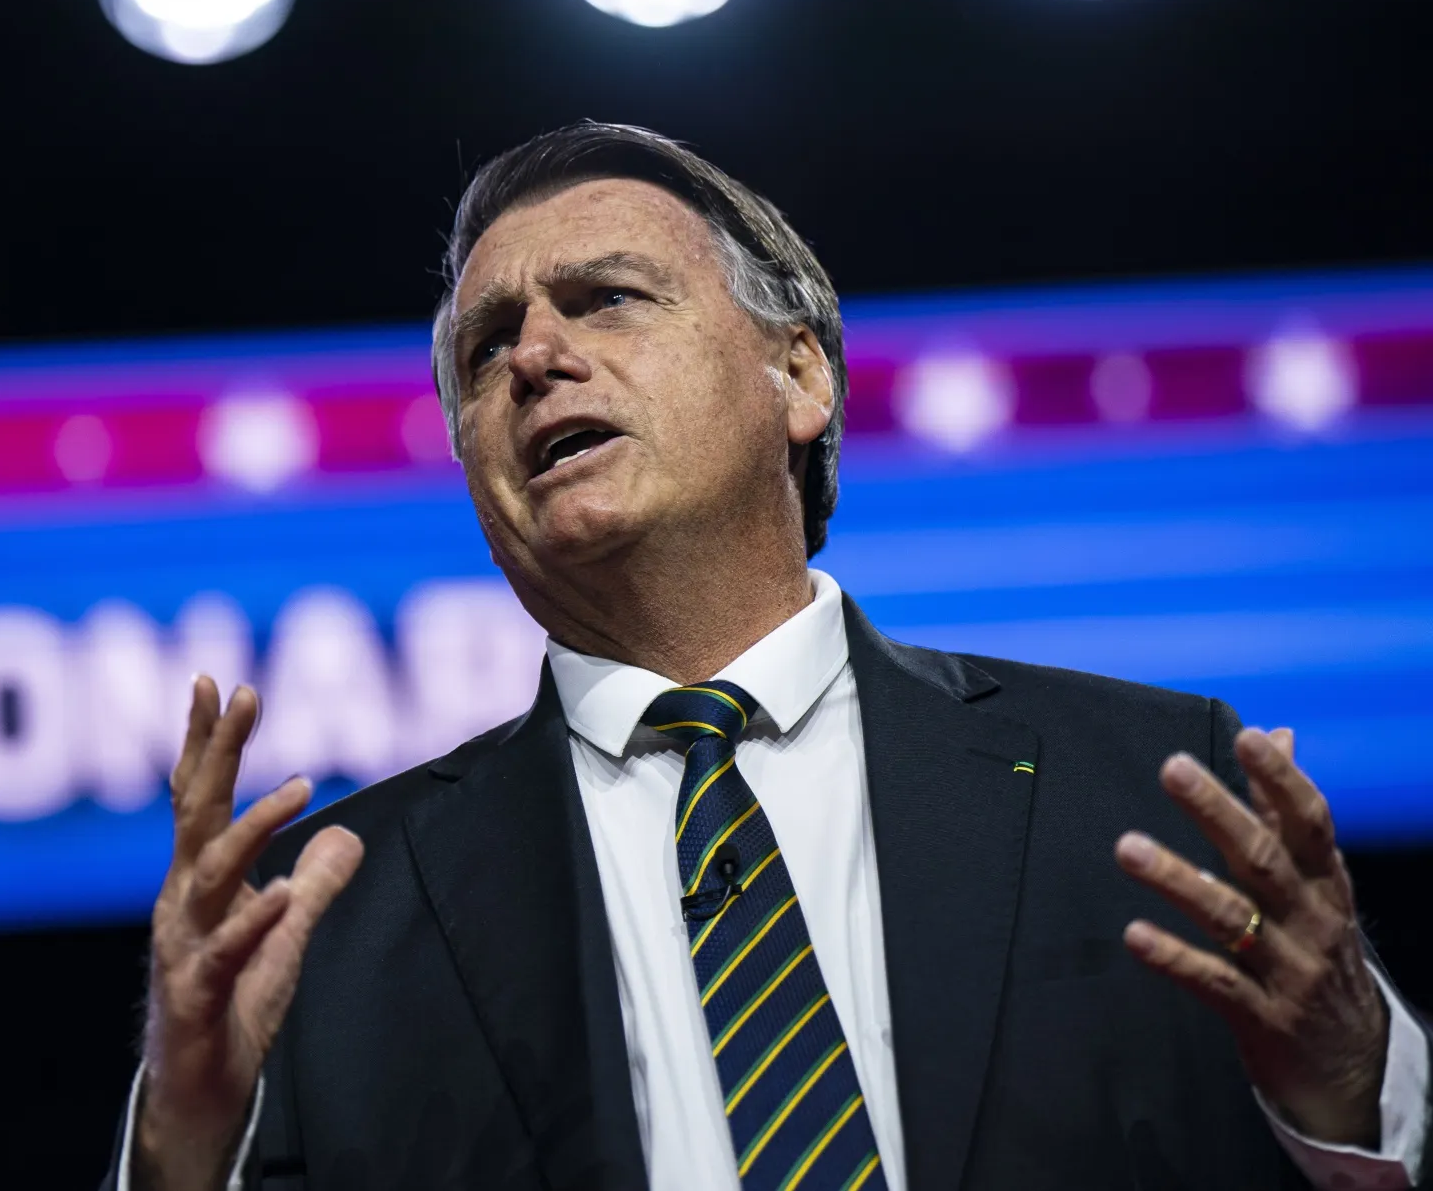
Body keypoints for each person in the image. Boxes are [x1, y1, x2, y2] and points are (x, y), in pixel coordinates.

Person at [113, 123, 1430, 1190]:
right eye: (484, 347)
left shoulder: (1153, 784)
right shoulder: (324, 922)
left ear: (799, 376)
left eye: (607, 299)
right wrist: (180, 1151)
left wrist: (1349, 1083)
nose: (535, 359)